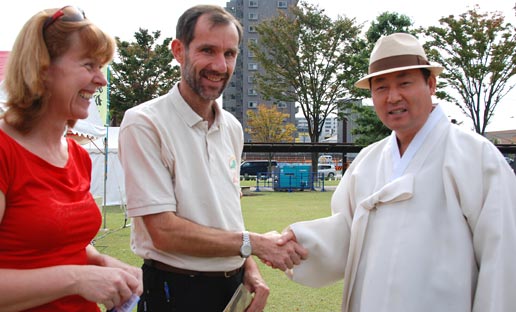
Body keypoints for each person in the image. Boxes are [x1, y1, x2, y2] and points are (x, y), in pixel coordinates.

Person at [277, 33, 516, 311]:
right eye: (380, 88)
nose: (393, 97)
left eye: (404, 83)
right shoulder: (368, 160)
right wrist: (297, 243)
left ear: (430, 84)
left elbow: (503, 257)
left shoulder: (475, 156)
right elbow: (348, 232)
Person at [118, 4, 307, 312]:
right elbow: (163, 231)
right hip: (174, 292)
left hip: (232, 289)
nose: (220, 65)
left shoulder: (232, 127)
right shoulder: (144, 123)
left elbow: (226, 214)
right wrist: (255, 245)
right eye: (208, 50)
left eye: (230, 54)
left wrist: (249, 268)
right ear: (179, 51)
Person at [0, 6, 143, 312]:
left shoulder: (77, 155)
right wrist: (76, 278)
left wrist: (99, 260)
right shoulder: (4, 152)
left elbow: (62, 245)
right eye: (89, 65)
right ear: (42, 68)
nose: (101, 80)